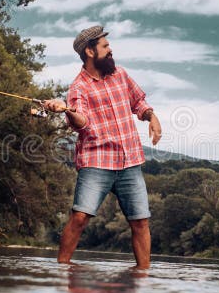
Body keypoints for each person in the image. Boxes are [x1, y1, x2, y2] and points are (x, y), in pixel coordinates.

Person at [43, 25, 162, 269]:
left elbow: (138, 101)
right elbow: (82, 121)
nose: (111, 50)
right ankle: (62, 270)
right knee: (79, 218)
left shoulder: (120, 74)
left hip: (130, 161)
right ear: (89, 51)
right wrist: (65, 109)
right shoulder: (79, 87)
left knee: (140, 223)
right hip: (96, 162)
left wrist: (151, 116)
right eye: (105, 47)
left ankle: (142, 278)